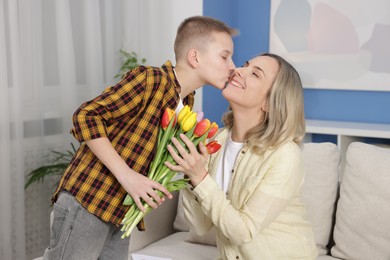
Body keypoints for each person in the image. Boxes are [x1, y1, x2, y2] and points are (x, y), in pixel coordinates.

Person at [43, 16, 237, 260]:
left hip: (120, 212)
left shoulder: (185, 102)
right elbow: (86, 116)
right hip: (89, 199)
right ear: (195, 57)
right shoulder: (150, 80)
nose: (232, 66)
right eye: (224, 56)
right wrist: (129, 178)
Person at [165, 53, 318, 259]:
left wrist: (201, 178)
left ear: (270, 103)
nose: (237, 70)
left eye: (255, 74)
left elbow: (243, 231)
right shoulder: (214, 142)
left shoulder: (285, 156)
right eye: (245, 65)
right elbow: (200, 226)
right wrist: (192, 177)